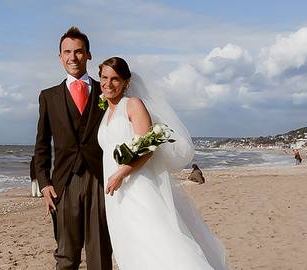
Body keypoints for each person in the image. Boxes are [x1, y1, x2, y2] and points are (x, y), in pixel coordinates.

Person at [97, 57, 228, 269]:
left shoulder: (133, 104)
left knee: (156, 240)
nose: (108, 84)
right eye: (104, 77)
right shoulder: (106, 111)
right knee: (131, 244)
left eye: (115, 79)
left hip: (137, 184)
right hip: (115, 192)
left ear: (126, 82)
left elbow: (148, 147)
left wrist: (121, 173)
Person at [34, 27, 112, 270]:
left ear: (89, 55)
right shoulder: (49, 96)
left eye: (79, 52)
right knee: (66, 256)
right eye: (67, 52)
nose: (73, 57)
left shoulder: (107, 90)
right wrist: (44, 183)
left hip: (101, 180)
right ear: (59, 56)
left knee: (100, 255)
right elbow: (41, 145)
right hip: (63, 184)